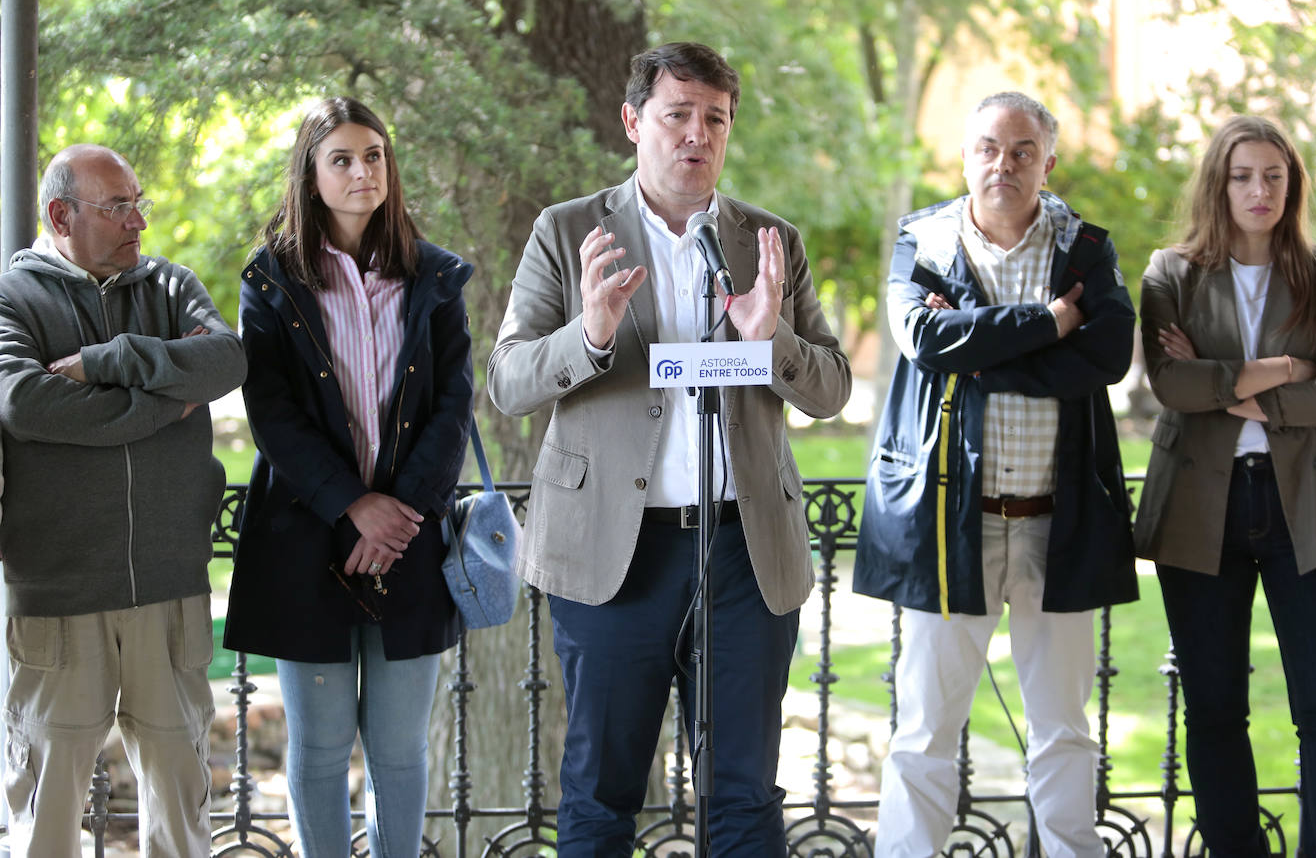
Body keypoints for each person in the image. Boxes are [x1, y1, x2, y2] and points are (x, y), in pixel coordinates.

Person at [487, 41, 851, 856]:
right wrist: (591, 332)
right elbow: (508, 382)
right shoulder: (568, 230)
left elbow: (830, 390)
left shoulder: (770, 241)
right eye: (676, 115)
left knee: (745, 794)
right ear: (633, 121)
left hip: (743, 556)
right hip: (615, 557)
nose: (696, 134)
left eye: (714, 119)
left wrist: (774, 336)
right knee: (600, 792)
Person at [853, 92, 1138, 857]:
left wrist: (979, 354)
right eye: (986, 147)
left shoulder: (1084, 250)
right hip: (952, 523)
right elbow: (923, 337)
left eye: (1020, 151)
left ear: (1048, 161)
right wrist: (1047, 324)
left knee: (1065, 731)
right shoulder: (925, 242)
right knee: (923, 730)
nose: (1001, 164)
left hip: (1060, 520)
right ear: (965, 153)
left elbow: (1107, 356)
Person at [223, 96, 474, 857]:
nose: (364, 171)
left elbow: (455, 404)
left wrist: (397, 514)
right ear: (310, 172)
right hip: (307, 541)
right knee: (323, 749)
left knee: (400, 751)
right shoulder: (271, 281)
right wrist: (352, 505)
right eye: (343, 158)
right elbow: (270, 412)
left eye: (375, 155)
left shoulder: (433, 277)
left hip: (411, 538)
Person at [1135, 115, 1316, 855]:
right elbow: (1169, 385)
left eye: (1273, 175)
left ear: (1291, 184)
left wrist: (1230, 387)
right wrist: (1282, 371)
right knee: (1212, 710)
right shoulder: (1169, 273)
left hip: (1308, 503)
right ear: (1219, 183)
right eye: (1243, 175)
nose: (1259, 189)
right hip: (1199, 507)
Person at [0, 144, 247, 857]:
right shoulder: (13, 300)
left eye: (139, 202)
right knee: (45, 822)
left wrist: (108, 365)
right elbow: (24, 402)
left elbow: (226, 359)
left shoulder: (170, 286)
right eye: (117, 207)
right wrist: (164, 403)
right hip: (57, 596)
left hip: (169, 592)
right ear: (60, 214)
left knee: (181, 814)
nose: (138, 220)